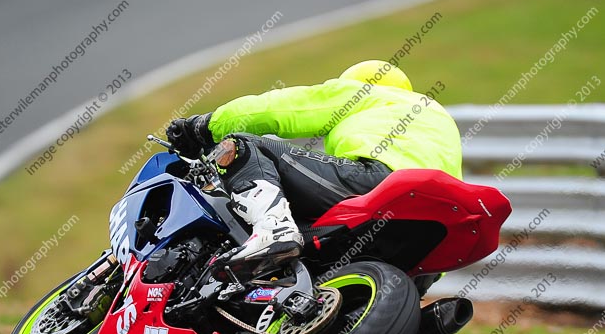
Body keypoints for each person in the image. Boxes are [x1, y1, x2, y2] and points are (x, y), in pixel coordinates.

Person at [167, 60, 462, 267]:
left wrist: (203, 127)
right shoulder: (441, 121)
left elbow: (285, 108)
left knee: (243, 144)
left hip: (377, 181)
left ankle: (275, 229)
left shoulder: (370, 94)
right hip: (433, 231)